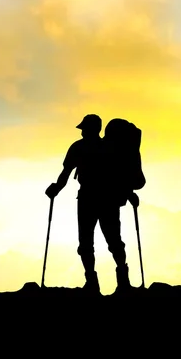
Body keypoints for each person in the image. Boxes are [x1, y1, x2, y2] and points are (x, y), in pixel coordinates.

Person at [45, 114, 135, 295]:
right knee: (105, 242)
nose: (82, 132)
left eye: (84, 129)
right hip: (104, 200)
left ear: (94, 129)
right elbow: (119, 176)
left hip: (91, 200)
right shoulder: (107, 147)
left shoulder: (82, 148)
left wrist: (56, 188)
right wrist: (129, 193)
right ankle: (117, 282)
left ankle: (97, 284)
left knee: (101, 242)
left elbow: (66, 173)